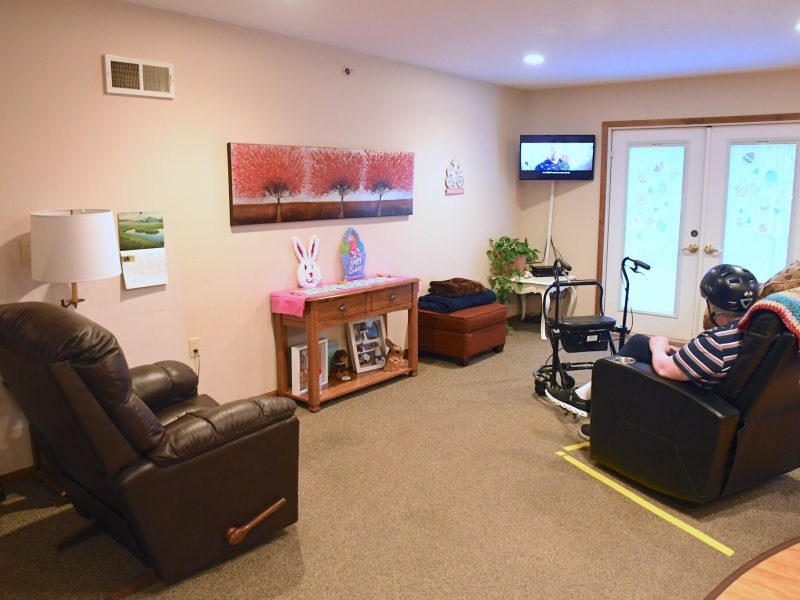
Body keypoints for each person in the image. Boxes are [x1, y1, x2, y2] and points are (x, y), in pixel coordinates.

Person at [544, 264, 759, 440]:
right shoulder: (748, 331)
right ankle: (582, 396)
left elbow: (665, 369)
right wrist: (683, 353)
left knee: (619, 366)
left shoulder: (715, 343)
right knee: (639, 343)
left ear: (713, 305)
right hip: (712, 387)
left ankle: (599, 416)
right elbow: (708, 360)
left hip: (693, 400)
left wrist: (659, 347)